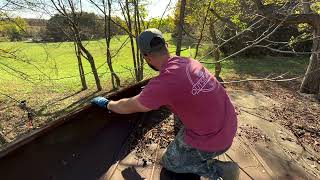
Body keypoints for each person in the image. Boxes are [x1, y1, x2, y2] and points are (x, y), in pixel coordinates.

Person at [91, 28, 239, 180]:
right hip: (230, 123)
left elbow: (127, 106)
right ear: (166, 45)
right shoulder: (188, 61)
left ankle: (219, 171)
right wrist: (152, 93)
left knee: (169, 162)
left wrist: (108, 104)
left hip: (216, 139)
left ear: (146, 57)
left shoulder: (164, 83)